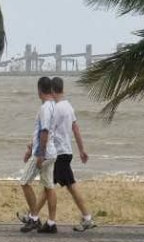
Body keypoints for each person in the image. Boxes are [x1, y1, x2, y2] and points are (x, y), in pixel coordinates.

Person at [18, 76, 96, 231]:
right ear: (63, 89)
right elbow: (76, 129)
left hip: (57, 152)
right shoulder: (68, 107)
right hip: (65, 151)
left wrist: (32, 148)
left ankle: (36, 218)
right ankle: (36, 217)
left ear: (52, 90)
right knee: (54, 186)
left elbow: (45, 131)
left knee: (51, 187)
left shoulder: (55, 108)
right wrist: (81, 150)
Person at [19, 76, 58, 233]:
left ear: (39, 89)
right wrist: (30, 146)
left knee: (24, 182)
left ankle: (34, 218)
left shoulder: (45, 108)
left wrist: (39, 153)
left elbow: (44, 131)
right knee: (49, 187)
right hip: (51, 152)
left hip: (43, 152)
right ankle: (51, 222)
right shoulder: (54, 106)